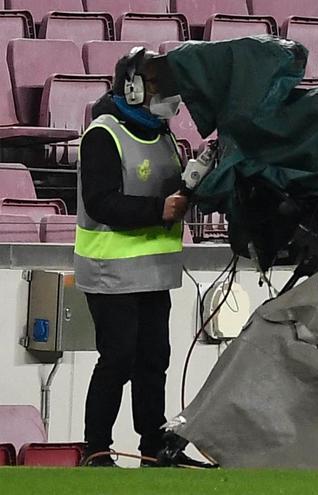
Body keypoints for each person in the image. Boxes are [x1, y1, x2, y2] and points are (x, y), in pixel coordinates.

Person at [75, 47, 188, 467]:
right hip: (111, 272)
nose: (166, 93)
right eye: (157, 83)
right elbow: (101, 202)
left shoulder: (164, 135)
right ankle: (97, 449)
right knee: (118, 359)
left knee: (153, 360)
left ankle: (152, 447)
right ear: (133, 86)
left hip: (155, 271)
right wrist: (160, 210)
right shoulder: (103, 134)